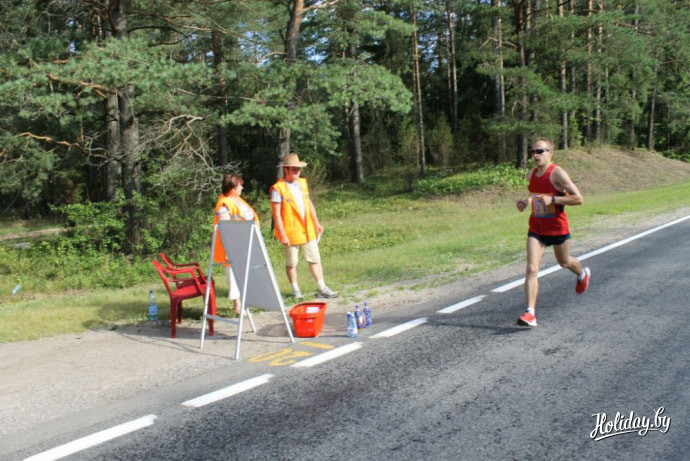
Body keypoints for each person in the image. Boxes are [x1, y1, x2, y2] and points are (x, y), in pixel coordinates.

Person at [515, 137, 591, 327]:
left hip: (557, 228)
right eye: (533, 151)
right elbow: (535, 195)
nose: (535, 155)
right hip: (537, 228)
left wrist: (554, 200)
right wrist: (526, 202)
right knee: (531, 269)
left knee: (564, 262)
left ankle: (582, 274)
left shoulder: (558, 174)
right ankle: (530, 313)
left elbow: (578, 199)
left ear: (550, 153)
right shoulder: (531, 175)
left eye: (540, 151)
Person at [270, 153, 338, 299]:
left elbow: (308, 203)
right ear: (286, 169)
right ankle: (296, 290)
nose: (297, 171)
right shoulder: (278, 188)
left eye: (298, 168)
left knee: (315, 259)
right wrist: (283, 234)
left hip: (307, 229)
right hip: (291, 232)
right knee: (292, 262)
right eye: (294, 168)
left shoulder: (302, 183)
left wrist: (316, 222)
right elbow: (276, 215)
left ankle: (322, 288)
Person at [213, 173, 260, 316]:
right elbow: (225, 228)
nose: (242, 188)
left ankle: (248, 301)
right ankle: (238, 305)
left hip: (244, 243)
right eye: (240, 185)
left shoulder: (237, 199)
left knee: (246, 272)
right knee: (233, 274)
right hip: (234, 246)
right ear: (233, 188)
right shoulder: (224, 204)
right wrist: (229, 248)